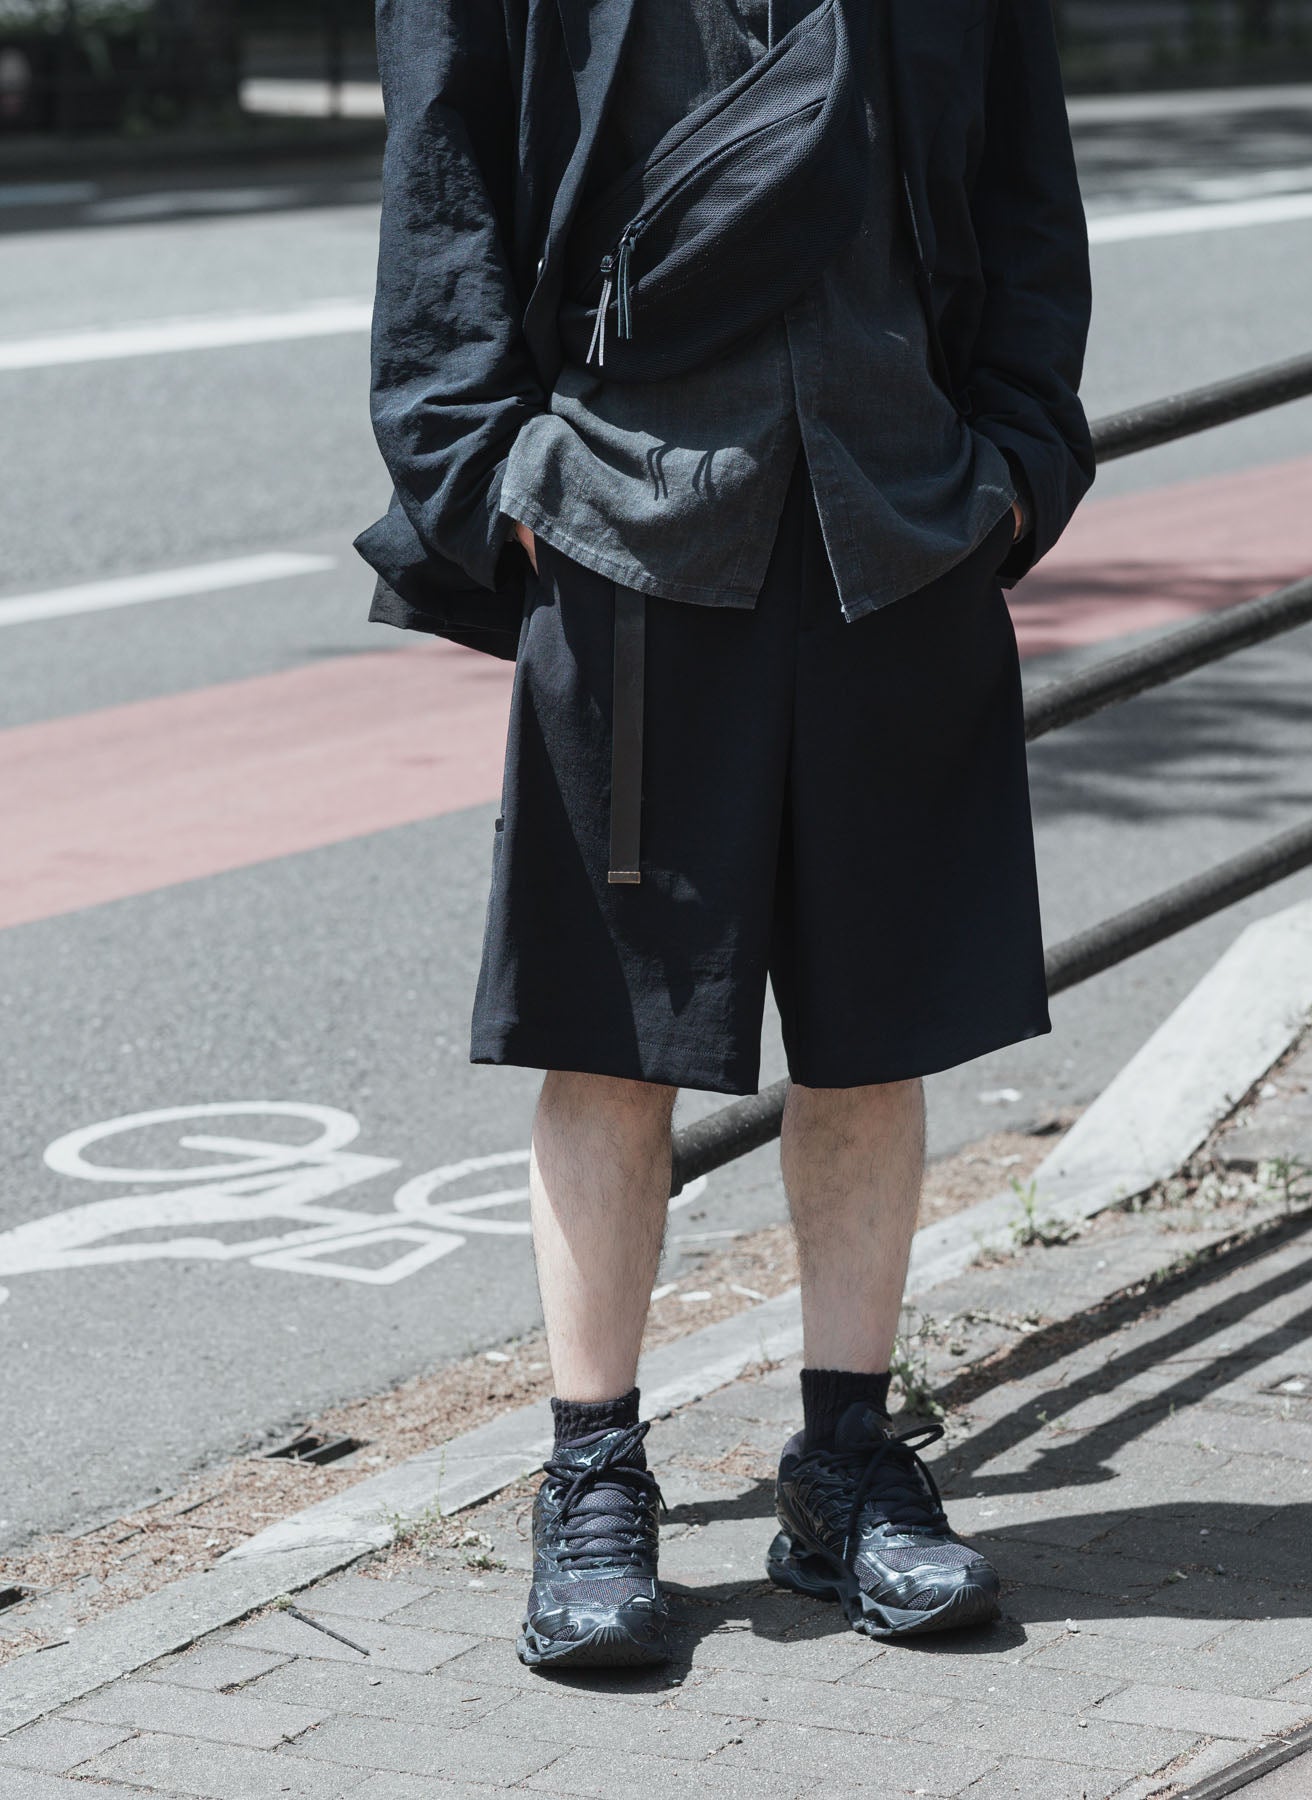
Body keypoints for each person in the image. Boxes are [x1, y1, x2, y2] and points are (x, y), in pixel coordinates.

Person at [356, 0, 1093, 1668]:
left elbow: (1026, 185)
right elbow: (440, 183)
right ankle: (591, 1474)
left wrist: (1018, 468)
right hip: (625, 521)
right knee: (609, 1035)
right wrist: (494, 477)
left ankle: (846, 1465)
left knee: (878, 1028)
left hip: (897, 519)